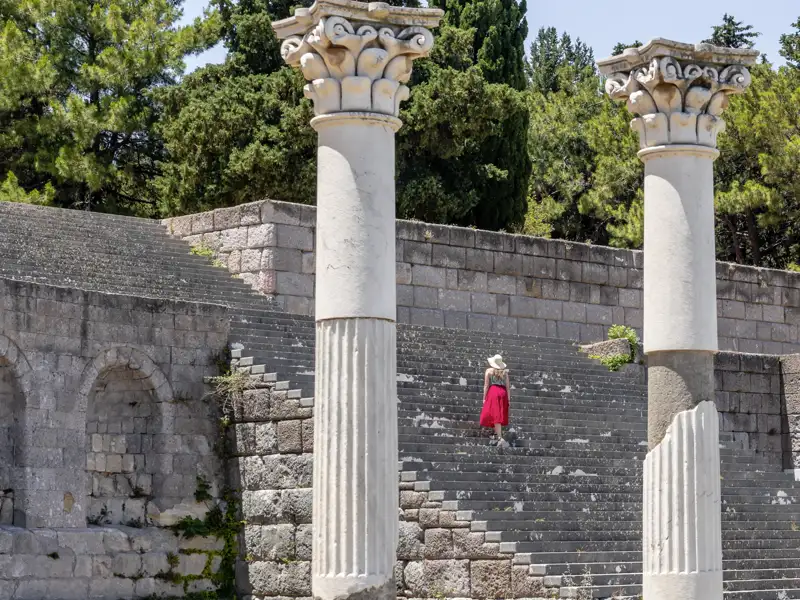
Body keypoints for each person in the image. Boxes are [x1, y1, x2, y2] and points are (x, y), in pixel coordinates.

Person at [479, 354, 510, 447]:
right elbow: (508, 387)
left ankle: (500, 437)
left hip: (493, 392)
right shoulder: (505, 372)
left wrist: (484, 397)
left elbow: (486, 385)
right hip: (503, 392)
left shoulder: (489, 371)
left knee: (494, 413)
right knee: (498, 413)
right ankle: (496, 435)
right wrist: (508, 399)